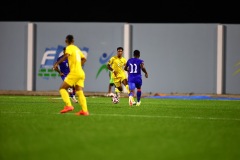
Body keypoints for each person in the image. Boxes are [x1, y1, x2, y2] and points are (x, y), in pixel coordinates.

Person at [53, 35, 89, 116]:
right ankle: (85, 111)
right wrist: (79, 65)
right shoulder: (76, 48)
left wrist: (57, 63)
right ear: (73, 40)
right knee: (79, 91)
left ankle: (68, 105)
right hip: (81, 72)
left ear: (66, 41)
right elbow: (84, 59)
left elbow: (66, 55)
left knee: (62, 89)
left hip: (75, 72)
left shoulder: (68, 48)